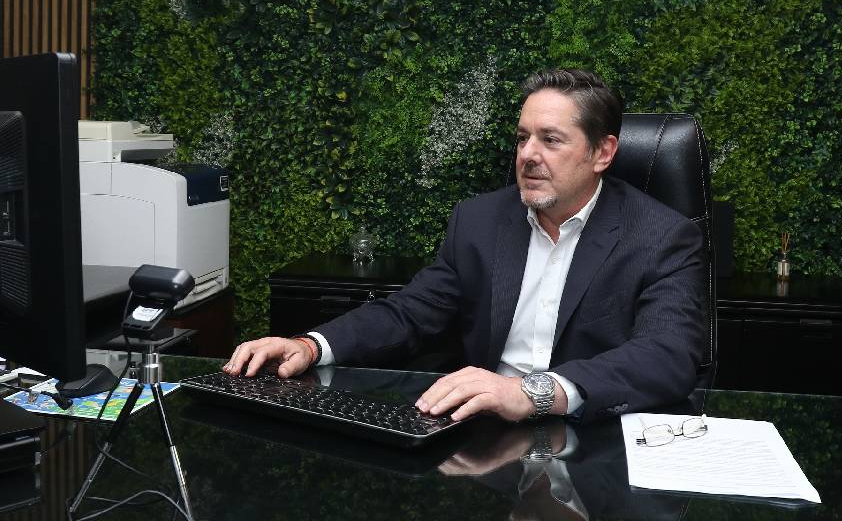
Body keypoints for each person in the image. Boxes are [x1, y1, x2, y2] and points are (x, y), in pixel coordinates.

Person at [224, 68, 705, 424]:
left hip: (593, 433)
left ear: (603, 153)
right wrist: (311, 346)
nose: (528, 155)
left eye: (551, 140)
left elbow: (667, 353)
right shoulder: (479, 221)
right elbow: (410, 313)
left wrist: (532, 393)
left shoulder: (661, 236)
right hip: (484, 436)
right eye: (522, 138)